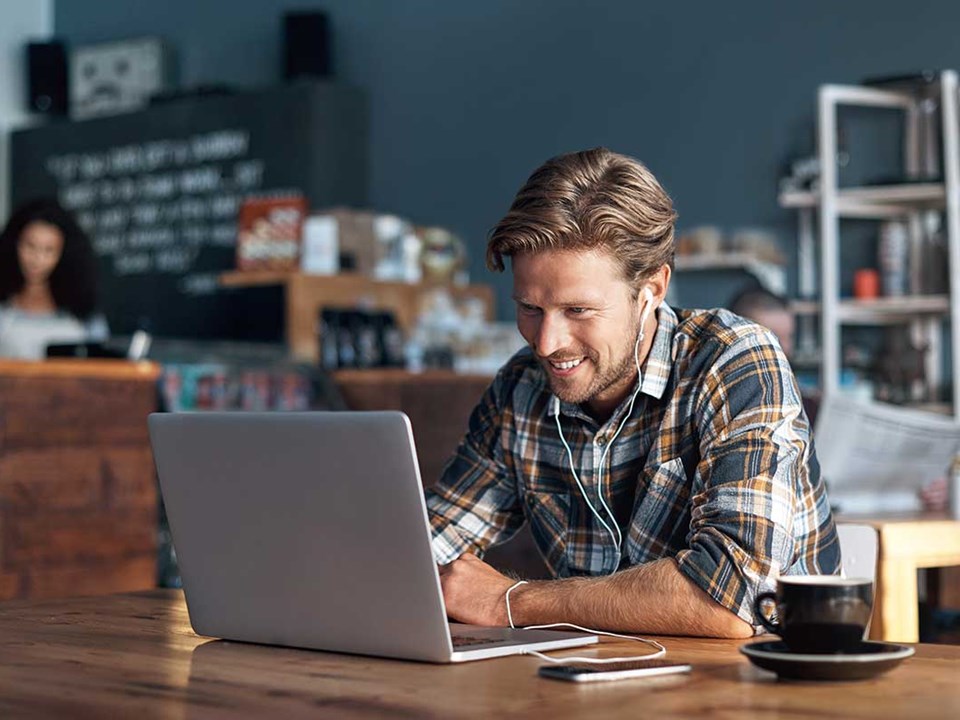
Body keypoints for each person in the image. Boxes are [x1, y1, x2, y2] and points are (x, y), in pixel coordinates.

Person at [428, 148, 839, 639]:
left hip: (760, 677)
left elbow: (731, 598)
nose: (547, 343)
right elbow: (429, 547)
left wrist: (509, 601)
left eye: (578, 310)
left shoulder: (735, 361)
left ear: (653, 289)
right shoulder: (521, 387)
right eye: (530, 309)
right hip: (598, 672)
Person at [0, 198, 108, 359]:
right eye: (30, 246)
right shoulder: (3, 310)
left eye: (49, 250)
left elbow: (104, 366)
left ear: (64, 255)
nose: (37, 259)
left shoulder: (84, 315)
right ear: (14, 244)